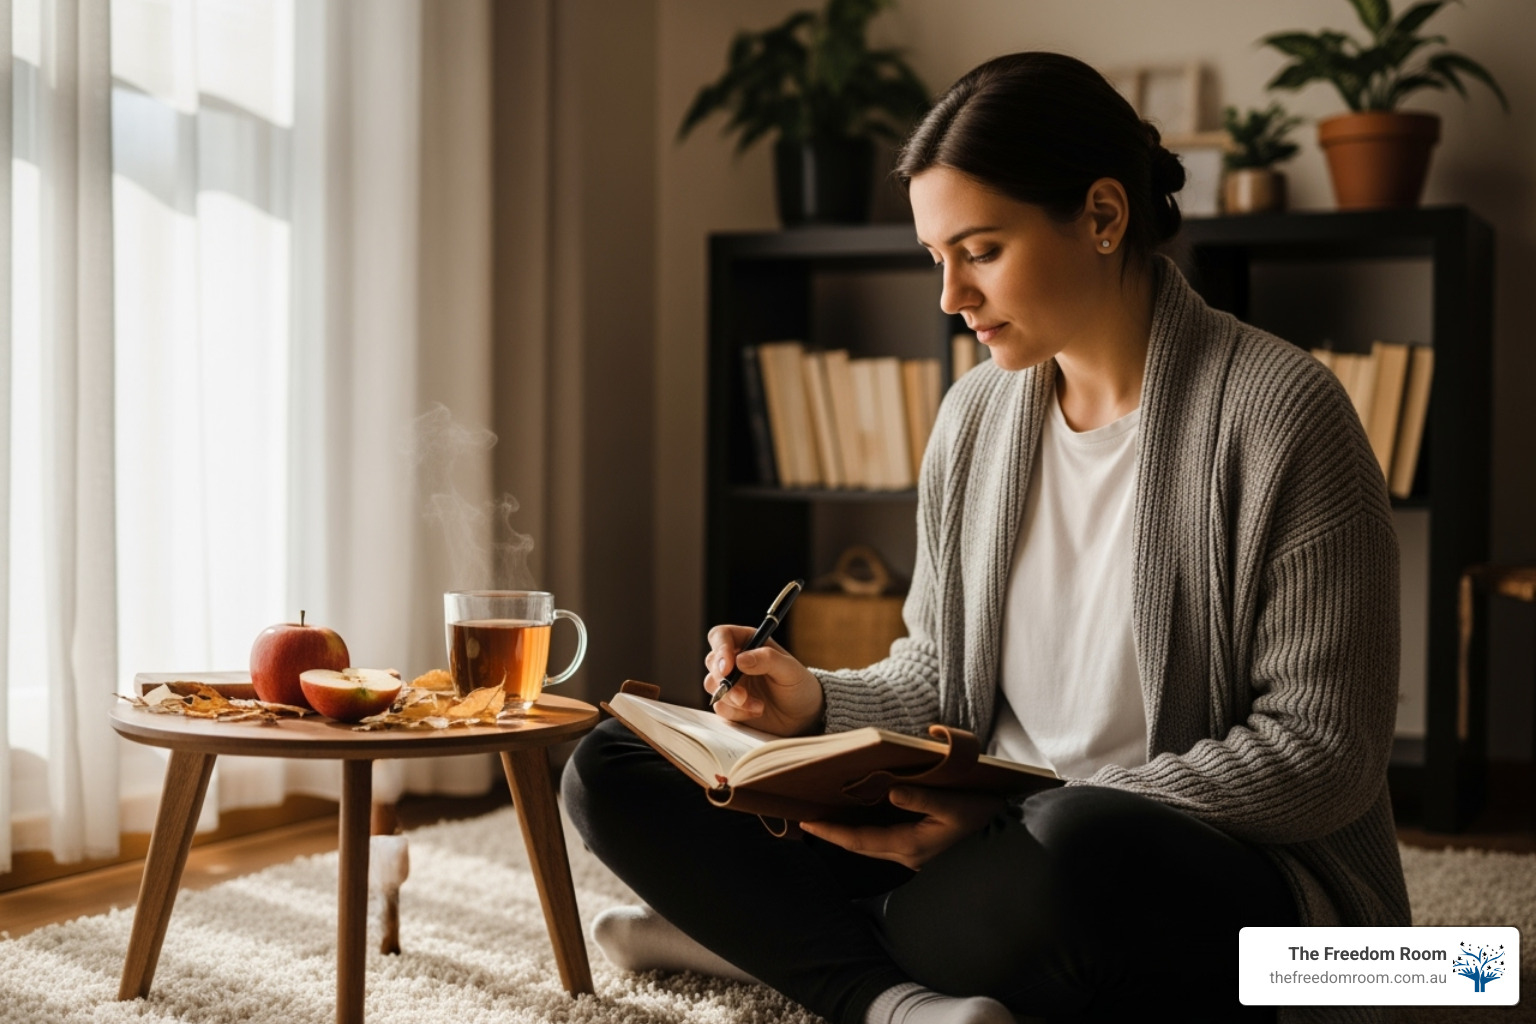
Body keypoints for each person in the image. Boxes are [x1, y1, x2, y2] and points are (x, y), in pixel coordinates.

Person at [562, 51, 1408, 1024]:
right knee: (610, 765)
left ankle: (767, 941)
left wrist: (1010, 816)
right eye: (937, 257)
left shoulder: (1284, 412)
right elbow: (938, 679)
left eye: (981, 250)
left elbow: (1323, 752)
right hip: (981, 852)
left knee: (1075, 853)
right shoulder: (975, 417)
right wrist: (814, 704)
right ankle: (893, 1001)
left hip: (1210, 897)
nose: (950, 296)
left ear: (1102, 216)